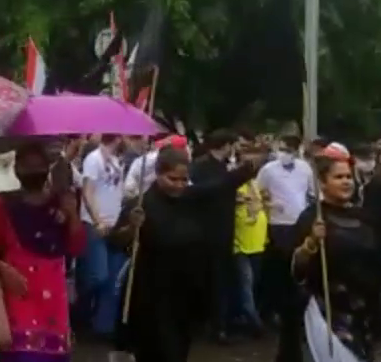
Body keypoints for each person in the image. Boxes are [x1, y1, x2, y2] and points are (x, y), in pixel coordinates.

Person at [115, 146, 257, 362]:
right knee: (158, 351)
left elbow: (219, 186)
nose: (179, 185)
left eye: (184, 179)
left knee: (180, 349)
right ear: (158, 173)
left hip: (186, 292)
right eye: (173, 179)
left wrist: (248, 168)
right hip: (152, 294)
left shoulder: (189, 198)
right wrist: (132, 228)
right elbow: (116, 241)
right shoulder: (141, 206)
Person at [292, 154, 381, 361]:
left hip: (368, 311)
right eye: (338, 177)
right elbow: (297, 268)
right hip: (330, 312)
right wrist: (311, 242)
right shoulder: (313, 218)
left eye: (348, 176)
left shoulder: (365, 217)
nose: (346, 181)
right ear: (322, 183)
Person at [0, 143, 85, 362]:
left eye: (38, 166)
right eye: (27, 166)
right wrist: (3, 269)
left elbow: (76, 248)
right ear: (17, 170)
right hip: (18, 299)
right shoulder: (2, 205)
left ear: (47, 169)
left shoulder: (61, 203)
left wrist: (72, 215)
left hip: (54, 306)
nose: (33, 172)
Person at [255, 132, 312, 362]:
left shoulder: (305, 168)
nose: (286, 153)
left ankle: (296, 311)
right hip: (277, 225)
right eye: (284, 148)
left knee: (297, 269)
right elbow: (258, 192)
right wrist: (270, 204)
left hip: (298, 224)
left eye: (291, 148)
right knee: (279, 269)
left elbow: (311, 192)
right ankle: (277, 310)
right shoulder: (268, 170)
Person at [189, 129, 239, 344]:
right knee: (207, 278)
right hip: (205, 230)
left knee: (222, 279)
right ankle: (208, 323)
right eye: (232, 145)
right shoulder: (200, 167)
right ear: (225, 145)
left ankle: (219, 323)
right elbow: (196, 192)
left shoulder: (225, 168)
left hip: (225, 230)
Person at [77, 134, 128, 338]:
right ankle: (81, 309)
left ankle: (102, 326)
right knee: (98, 275)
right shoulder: (93, 159)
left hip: (114, 225)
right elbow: (87, 192)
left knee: (112, 279)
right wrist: (96, 218)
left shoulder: (116, 161)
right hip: (94, 224)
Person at [229, 141, 269, 338]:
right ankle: (256, 324)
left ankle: (243, 317)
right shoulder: (233, 186)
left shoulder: (254, 184)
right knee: (246, 285)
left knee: (253, 285)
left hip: (258, 242)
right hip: (240, 245)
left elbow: (262, 203)